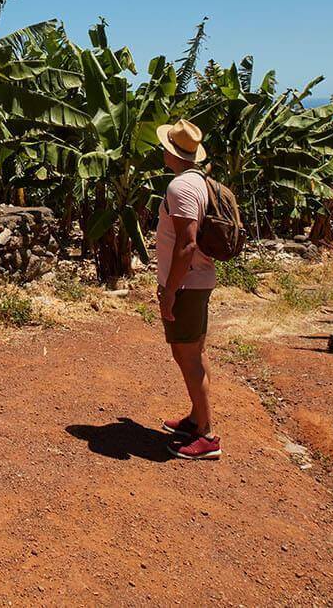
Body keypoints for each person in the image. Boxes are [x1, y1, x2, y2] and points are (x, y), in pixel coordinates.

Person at [152, 119, 221, 460]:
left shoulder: (180, 188)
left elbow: (187, 243)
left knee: (188, 355)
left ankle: (207, 436)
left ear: (170, 151)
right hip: (198, 280)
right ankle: (196, 418)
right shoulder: (200, 183)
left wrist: (170, 290)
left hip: (187, 283)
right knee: (192, 352)